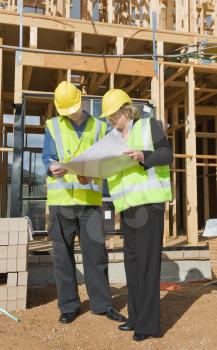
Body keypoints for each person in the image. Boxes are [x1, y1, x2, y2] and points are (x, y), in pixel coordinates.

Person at [42, 81, 126, 324]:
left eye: (74, 108)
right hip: (61, 202)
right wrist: (51, 166)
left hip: (89, 202)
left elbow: (108, 160)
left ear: (82, 99)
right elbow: (47, 156)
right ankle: (68, 306)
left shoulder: (100, 127)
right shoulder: (52, 126)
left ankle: (102, 304)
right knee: (62, 255)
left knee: (96, 254)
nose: (71, 114)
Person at [99, 89, 173, 342]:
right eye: (107, 117)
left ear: (125, 111)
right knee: (132, 262)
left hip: (149, 205)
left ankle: (149, 325)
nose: (109, 120)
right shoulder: (112, 137)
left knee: (148, 265)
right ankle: (135, 317)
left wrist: (144, 156)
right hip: (127, 207)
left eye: (112, 115)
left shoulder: (148, 126)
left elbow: (167, 155)